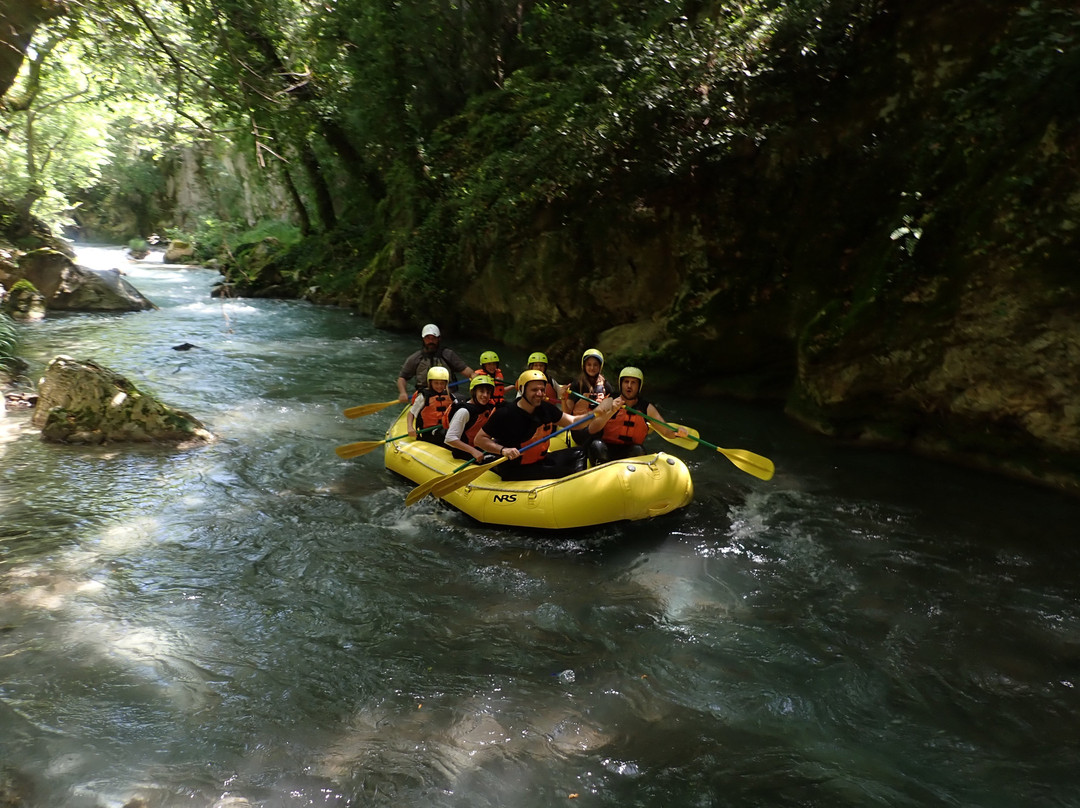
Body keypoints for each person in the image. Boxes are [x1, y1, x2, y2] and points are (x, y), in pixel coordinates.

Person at [475, 369, 610, 481]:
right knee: (563, 470)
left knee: (579, 453)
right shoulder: (506, 413)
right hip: (516, 468)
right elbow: (479, 439)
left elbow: (574, 423)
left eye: (542, 389)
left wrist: (596, 413)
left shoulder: (545, 408)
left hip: (539, 461)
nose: (539, 394)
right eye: (534, 390)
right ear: (522, 390)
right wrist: (503, 450)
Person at [585, 366, 687, 465]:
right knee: (596, 445)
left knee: (638, 450)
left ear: (639, 386)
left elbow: (666, 431)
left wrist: (678, 433)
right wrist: (611, 411)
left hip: (629, 454)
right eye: (626, 382)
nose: (629, 386)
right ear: (621, 384)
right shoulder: (609, 401)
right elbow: (592, 428)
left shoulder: (646, 408)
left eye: (633, 382)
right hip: (605, 450)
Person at [397, 323, 474, 402]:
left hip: (448, 394)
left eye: (433, 338)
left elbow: (465, 370)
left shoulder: (448, 354)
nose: (431, 341)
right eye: (428, 338)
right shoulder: (416, 358)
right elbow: (402, 378)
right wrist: (403, 393)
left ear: (438, 339)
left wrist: (473, 374)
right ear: (423, 339)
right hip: (425, 396)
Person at [563, 348, 614, 445]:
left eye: (595, 365)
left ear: (600, 367)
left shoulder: (605, 385)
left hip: (598, 427)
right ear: (584, 366)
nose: (592, 368)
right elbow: (567, 412)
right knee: (596, 445)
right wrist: (562, 397)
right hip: (580, 429)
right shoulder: (577, 385)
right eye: (589, 364)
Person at [444, 374, 498, 462]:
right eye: (481, 391)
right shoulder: (464, 411)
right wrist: (473, 451)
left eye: (488, 393)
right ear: (474, 392)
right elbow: (450, 438)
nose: (485, 395)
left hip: (482, 449)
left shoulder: (489, 408)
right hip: (465, 454)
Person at [406, 366, 454, 444]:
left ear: (446, 383)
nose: (439, 386)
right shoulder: (423, 397)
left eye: (442, 383)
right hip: (428, 432)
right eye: (436, 383)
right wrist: (410, 427)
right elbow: (411, 413)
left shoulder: (450, 396)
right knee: (443, 433)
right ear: (430, 382)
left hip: (445, 429)